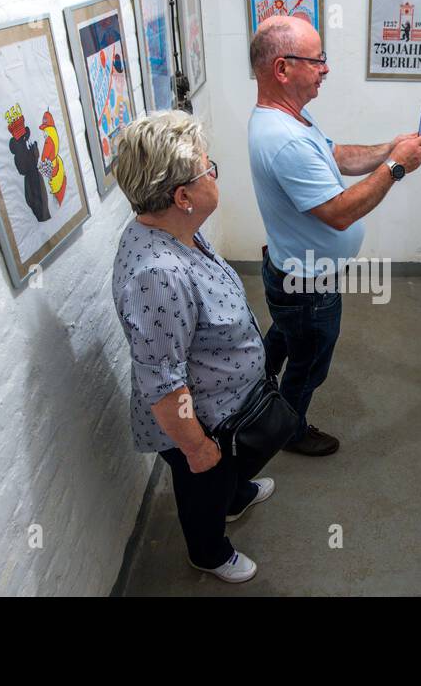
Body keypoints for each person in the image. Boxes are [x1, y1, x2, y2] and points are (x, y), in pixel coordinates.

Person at [247, 16, 421, 457]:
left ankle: (254, 384)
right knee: (308, 365)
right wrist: (397, 167)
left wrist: (388, 148)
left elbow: (336, 156)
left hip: (292, 268)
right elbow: (340, 214)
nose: (326, 68)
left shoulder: (290, 120)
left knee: (286, 336)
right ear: (282, 69)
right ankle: (287, 431)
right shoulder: (285, 140)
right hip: (308, 285)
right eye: (318, 60)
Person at [111, 110, 276, 584]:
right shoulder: (157, 273)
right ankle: (210, 551)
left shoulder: (180, 230)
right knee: (202, 483)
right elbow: (163, 382)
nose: (215, 174)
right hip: (197, 425)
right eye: (210, 168)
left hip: (225, 410)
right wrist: (197, 448)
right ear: (182, 196)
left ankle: (234, 493)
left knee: (224, 476)